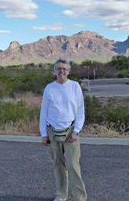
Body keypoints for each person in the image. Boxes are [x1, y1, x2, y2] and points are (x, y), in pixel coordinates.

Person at [40, 58, 87, 201]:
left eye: (64, 69)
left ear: (69, 71)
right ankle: (61, 195)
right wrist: (43, 134)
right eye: (59, 69)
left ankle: (80, 197)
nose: (62, 71)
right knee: (58, 165)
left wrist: (76, 131)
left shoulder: (75, 86)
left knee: (73, 165)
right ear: (54, 71)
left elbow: (80, 111)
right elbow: (44, 112)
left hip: (70, 131)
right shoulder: (49, 88)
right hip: (52, 131)